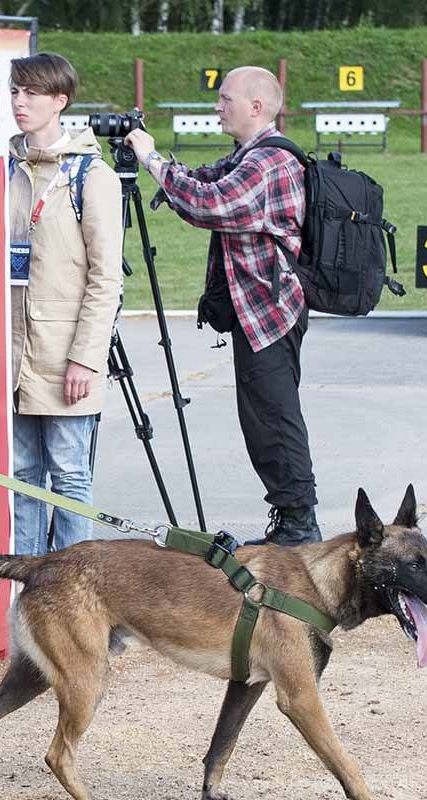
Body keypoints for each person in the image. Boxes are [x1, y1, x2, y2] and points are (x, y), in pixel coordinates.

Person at [124, 65, 320, 546]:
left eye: (225, 98)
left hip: (269, 311)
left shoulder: (268, 164)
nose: (218, 106)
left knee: (273, 414)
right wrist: (158, 162)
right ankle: (292, 517)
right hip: (258, 308)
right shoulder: (247, 157)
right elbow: (200, 180)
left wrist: (150, 160)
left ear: (256, 106)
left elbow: (210, 205)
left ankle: (300, 524)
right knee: (261, 414)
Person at [7, 53, 123, 556]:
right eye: (15, 91)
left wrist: (85, 358)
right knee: (20, 477)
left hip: (64, 356)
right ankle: (22, 587)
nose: (19, 102)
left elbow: (106, 279)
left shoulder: (91, 176)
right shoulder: (1, 169)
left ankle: (74, 594)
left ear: (60, 101)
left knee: (69, 477)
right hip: (9, 355)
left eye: (31, 93)